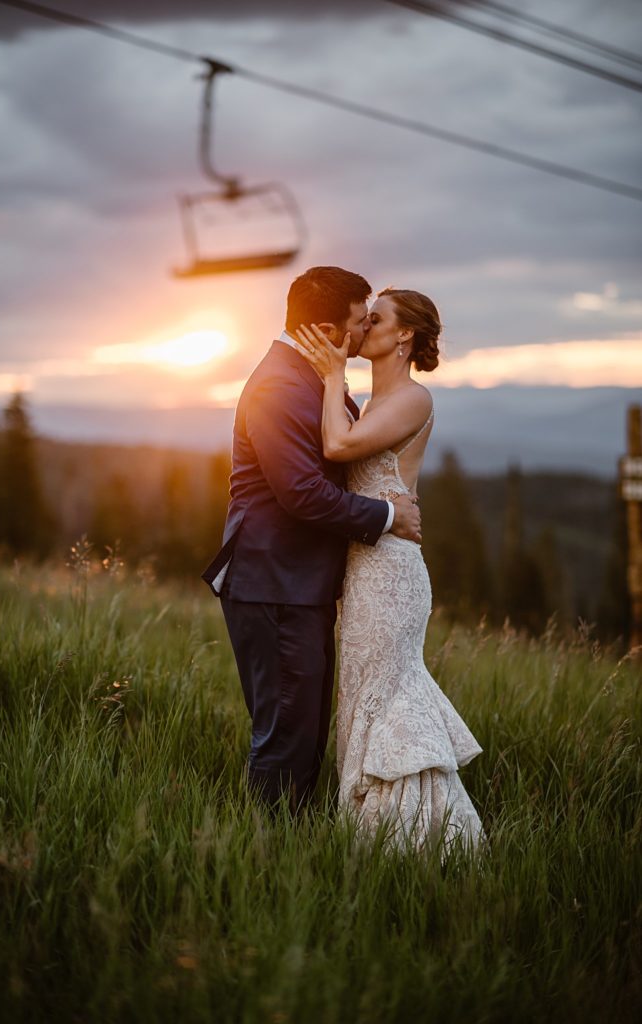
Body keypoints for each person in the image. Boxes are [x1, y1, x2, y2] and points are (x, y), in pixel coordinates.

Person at [202, 267, 422, 813]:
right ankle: (267, 847)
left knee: (304, 731)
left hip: (299, 585)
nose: (364, 330)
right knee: (285, 735)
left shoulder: (310, 376)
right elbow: (301, 493)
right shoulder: (279, 385)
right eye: (359, 321)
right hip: (274, 584)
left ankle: (291, 835)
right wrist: (387, 516)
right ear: (327, 330)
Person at [294, 287, 485, 854]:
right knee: (360, 698)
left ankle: (420, 839)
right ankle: (368, 832)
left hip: (392, 576)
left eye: (376, 319)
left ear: (404, 335)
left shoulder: (413, 399)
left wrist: (331, 374)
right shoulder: (369, 402)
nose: (364, 326)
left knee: (388, 696)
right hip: (362, 571)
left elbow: (337, 445)